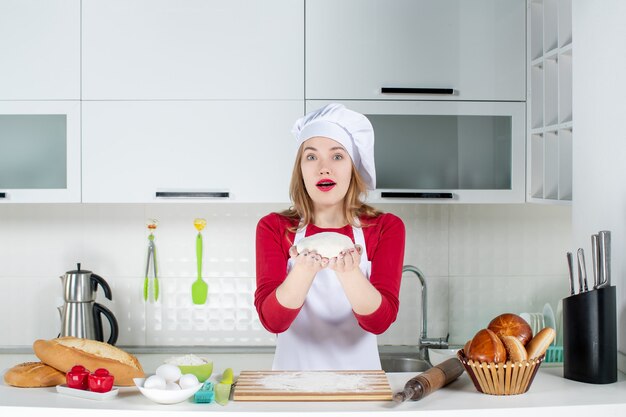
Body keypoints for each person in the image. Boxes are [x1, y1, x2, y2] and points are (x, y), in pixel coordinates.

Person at [254, 103, 406, 370]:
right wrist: (302, 271)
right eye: (311, 157)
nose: (324, 168)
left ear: (353, 167)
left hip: (361, 392)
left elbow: (380, 322)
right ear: (300, 169)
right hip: (291, 391)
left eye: (337, 156)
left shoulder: (385, 228)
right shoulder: (274, 228)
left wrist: (349, 273)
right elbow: (273, 322)